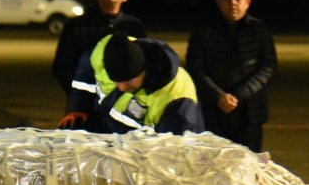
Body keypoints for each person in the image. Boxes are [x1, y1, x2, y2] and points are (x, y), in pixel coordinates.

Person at [185, 0, 278, 151]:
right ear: (218, 1)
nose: (232, 3)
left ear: (247, 2)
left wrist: (238, 95)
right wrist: (218, 96)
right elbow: (195, 69)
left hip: (249, 113)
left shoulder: (260, 31)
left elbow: (268, 68)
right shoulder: (203, 31)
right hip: (212, 113)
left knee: (249, 163)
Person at [64, 34, 204, 135]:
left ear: (144, 69)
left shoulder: (177, 100)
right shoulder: (113, 49)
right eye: (115, 81)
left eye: (127, 80)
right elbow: (86, 71)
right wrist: (77, 107)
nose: (121, 87)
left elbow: (172, 156)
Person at [51, 0, 145, 95]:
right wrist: (81, 94)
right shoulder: (76, 26)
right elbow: (62, 67)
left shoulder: (134, 27)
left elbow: (142, 67)